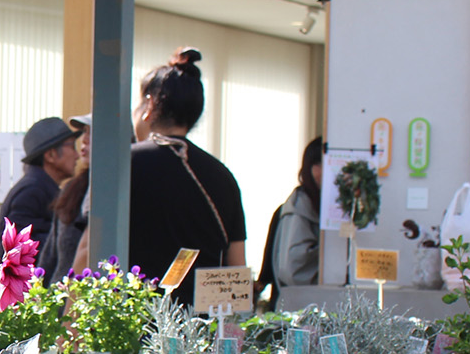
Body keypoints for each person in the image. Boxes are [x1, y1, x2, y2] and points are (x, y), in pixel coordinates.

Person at [126, 48, 246, 307]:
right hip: (202, 322)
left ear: (150, 105)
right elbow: (236, 266)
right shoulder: (223, 176)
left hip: (135, 320)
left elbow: (88, 246)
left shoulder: (126, 164)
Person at [0, 116, 79, 280]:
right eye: (72, 146)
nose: (77, 155)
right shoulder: (31, 191)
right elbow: (20, 250)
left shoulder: (40, 187)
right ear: (50, 155)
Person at [260, 138, 324, 294]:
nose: (324, 170)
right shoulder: (295, 210)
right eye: (318, 164)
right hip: (297, 302)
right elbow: (294, 270)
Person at [48, 121, 91, 282]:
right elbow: (50, 254)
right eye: (85, 132)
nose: (84, 139)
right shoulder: (72, 188)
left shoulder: (124, 186)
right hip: (62, 291)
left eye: (92, 132)